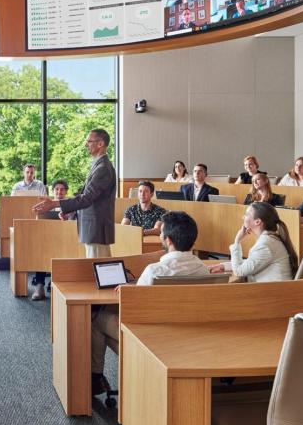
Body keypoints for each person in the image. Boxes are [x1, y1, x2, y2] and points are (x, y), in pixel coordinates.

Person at [91, 211, 209, 395]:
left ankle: (96, 377)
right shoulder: (202, 269)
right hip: (188, 335)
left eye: (161, 233)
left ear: (168, 240)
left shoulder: (155, 270)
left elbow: (135, 307)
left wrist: (127, 289)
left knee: (97, 318)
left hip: (152, 339)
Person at [32, 129, 116, 258]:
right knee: (95, 269)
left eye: (89, 141)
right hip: (93, 228)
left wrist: (55, 203)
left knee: (99, 269)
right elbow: (93, 199)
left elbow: (87, 198)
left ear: (100, 144)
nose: (86, 144)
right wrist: (73, 212)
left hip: (97, 229)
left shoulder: (103, 168)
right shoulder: (98, 165)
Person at [209, 202, 297, 281]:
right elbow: (250, 263)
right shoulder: (269, 239)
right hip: (274, 291)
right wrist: (224, 266)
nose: (243, 217)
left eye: (247, 214)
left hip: (272, 294)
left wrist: (237, 241)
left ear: (257, 221)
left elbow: (239, 271)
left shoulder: (265, 245)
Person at [30, 179, 74, 300]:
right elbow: (38, 224)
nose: (59, 192)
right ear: (53, 191)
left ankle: (55, 284)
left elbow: (75, 225)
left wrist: (68, 219)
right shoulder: (46, 205)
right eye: (57, 189)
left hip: (66, 240)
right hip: (47, 238)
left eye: (62, 189)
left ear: (66, 192)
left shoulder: (72, 205)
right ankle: (39, 286)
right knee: (41, 251)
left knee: (63, 253)